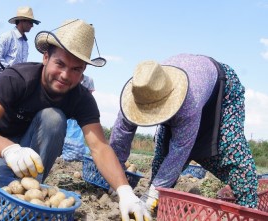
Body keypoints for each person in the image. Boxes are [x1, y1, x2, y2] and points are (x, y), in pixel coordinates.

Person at [0, 19, 151, 221]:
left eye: (76, 69)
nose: (65, 75)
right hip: (0, 142)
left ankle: (31, 186)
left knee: (53, 118)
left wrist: (125, 191)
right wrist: (10, 150)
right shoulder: (17, 78)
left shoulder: (82, 98)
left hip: (34, 149)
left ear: (83, 72)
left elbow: (99, 147)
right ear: (46, 57)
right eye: (60, 64)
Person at [110, 54, 258, 216]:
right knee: (162, 154)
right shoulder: (139, 93)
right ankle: (159, 206)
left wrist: (154, 192)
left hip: (222, 90)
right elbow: (119, 137)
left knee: (232, 152)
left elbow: (181, 148)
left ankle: (249, 212)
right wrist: (117, 182)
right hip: (190, 82)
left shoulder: (188, 103)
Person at [62, 74, 95, 161]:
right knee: (66, 133)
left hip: (80, 113)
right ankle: (63, 151)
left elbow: (89, 97)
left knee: (77, 135)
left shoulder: (89, 80)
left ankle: (73, 154)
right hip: (68, 110)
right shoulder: (69, 77)